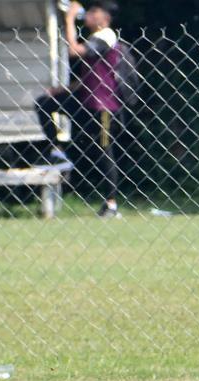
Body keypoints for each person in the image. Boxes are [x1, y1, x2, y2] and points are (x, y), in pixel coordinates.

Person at [34, 0, 124, 218]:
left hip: (103, 106)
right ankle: (58, 150)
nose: (90, 15)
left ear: (105, 18)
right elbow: (90, 77)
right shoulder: (96, 38)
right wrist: (61, 90)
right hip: (86, 101)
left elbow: (74, 50)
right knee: (45, 103)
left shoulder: (106, 37)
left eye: (95, 12)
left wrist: (69, 18)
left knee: (104, 150)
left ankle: (111, 204)